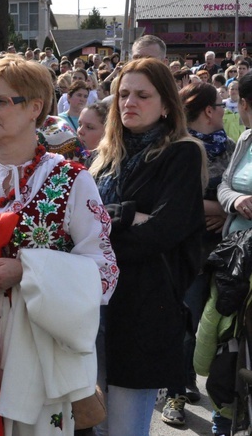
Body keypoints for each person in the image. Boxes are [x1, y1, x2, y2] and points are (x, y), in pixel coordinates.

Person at [0, 55, 118, 435]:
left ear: (35, 108)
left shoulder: (71, 180)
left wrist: (27, 272)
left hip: (36, 344)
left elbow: (104, 269)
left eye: (0, 101)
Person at [90, 57, 206, 435]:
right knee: (93, 425)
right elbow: (81, 222)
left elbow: (164, 231)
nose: (129, 103)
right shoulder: (105, 159)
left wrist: (103, 234)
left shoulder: (182, 153)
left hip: (143, 311)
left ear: (167, 104)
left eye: (142, 95)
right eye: (123, 94)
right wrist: (128, 215)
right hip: (93, 311)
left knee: (124, 429)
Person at [158, 83, 233, 427]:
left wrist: (224, 208)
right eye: (219, 105)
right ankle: (174, 391)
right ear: (207, 111)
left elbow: (239, 190)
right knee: (183, 323)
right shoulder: (178, 147)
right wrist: (211, 206)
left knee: (215, 327)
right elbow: (168, 200)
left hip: (225, 252)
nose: (223, 110)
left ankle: (218, 397)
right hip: (186, 252)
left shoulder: (231, 147)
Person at [197, 72, 252, 436]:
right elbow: (226, 186)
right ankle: (225, 414)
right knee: (225, 339)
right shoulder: (246, 138)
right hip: (234, 258)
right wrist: (237, 202)